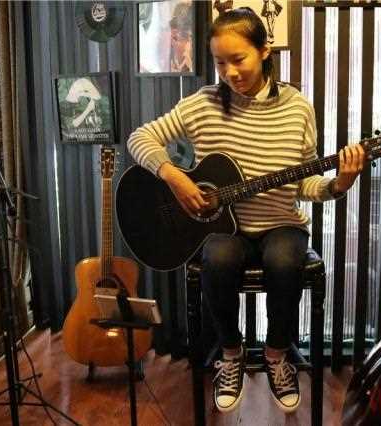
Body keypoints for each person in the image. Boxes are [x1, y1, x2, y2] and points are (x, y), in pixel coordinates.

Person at [127, 7, 365, 414]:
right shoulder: (202, 104)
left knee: (285, 259)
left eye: (239, 59)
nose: (230, 72)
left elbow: (304, 183)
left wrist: (339, 184)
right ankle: (231, 354)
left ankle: (277, 355)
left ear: (264, 50)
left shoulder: (297, 107)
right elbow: (140, 137)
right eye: (220, 63)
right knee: (218, 257)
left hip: (281, 223)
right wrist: (174, 176)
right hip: (224, 229)